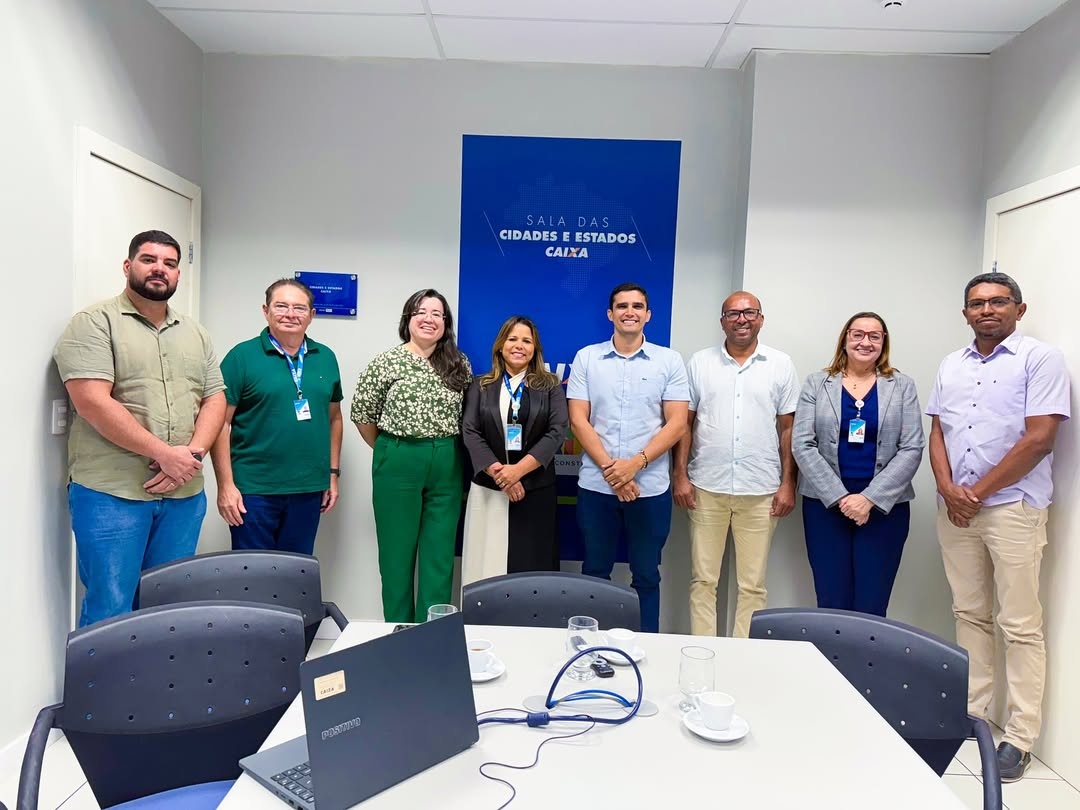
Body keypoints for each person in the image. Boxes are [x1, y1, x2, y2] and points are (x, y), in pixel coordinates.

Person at [927, 272, 1069, 782]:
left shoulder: (1041, 359)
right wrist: (947, 489)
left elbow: (1039, 440)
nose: (987, 310)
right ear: (966, 313)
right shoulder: (952, 363)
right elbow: (938, 431)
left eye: (997, 302)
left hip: (1011, 508)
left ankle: (1021, 736)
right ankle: (976, 713)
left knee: (1020, 625)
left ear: (1019, 308)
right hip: (957, 510)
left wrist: (975, 494)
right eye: (977, 303)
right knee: (969, 612)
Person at [54, 230, 226, 627]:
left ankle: (156, 690)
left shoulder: (195, 333)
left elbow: (215, 398)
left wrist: (193, 455)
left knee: (169, 605)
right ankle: (101, 690)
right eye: (149, 260)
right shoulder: (94, 323)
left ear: (178, 275)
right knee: (111, 605)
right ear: (128, 266)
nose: (159, 270)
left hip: (183, 494)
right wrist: (165, 455)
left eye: (168, 264)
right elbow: (93, 402)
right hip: (112, 494)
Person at [673, 291, 799, 638]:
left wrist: (789, 483)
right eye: (733, 313)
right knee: (703, 580)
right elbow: (685, 423)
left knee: (753, 586)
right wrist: (680, 475)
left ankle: (743, 655)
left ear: (760, 318)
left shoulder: (780, 365)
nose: (741, 319)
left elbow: (788, 428)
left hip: (760, 491)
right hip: (705, 487)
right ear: (722, 321)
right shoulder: (700, 362)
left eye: (749, 313)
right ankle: (703, 653)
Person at [567, 283, 689, 633]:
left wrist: (634, 465)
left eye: (637, 306)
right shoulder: (587, 358)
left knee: (647, 575)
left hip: (649, 488)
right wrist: (612, 471)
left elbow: (677, 422)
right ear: (610, 314)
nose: (629, 312)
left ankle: (646, 645)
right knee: (594, 571)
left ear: (648, 315)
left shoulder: (669, 360)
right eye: (622, 306)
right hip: (597, 486)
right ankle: (589, 647)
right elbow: (578, 420)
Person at [351, 289, 472, 623]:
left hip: (447, 460)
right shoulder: (386, 362)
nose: (429, 319)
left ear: (446, 324)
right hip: (398, 458)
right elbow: (363, 415)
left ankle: (431, 633)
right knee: (396, 555)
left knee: (439, 555)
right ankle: (399, 631)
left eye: (437, 314)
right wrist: (392, 451)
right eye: (421, 312)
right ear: (408, 319)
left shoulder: (458, 363)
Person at [792, 312, 924, 617]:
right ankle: (829, 664)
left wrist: (869, 499)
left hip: (884, 507)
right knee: (830, 597)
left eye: (874, 336)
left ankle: (866, 666)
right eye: (858, 334)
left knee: (872, 602)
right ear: (845, 339)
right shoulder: (818, 383)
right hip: (825, 505)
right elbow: (802, 443)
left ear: (883, 343)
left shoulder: (902, 386)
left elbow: (912, 446)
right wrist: (841, 498)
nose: (865, 342)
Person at [210, 279, 343, 554]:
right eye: (281, 306)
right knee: (253, 576)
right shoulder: (241, 357)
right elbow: (219, 423)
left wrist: (332, 475)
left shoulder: (326, 357)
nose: (290, 314)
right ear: (265, 310)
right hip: (253, 490)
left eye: (299, 308)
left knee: (296, 573)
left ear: (312, 315)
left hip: (308, 489)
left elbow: (334, 419)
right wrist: (226, 486)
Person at [461, 316, 568, 584]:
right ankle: (483, 624)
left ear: (535, 349)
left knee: (532, 570)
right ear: (500, 345)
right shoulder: (481, 385)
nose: (519, 345)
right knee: (484, 566)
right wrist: (501, 474)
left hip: (535, 490)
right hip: (489, 488)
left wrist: (518, 472)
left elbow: (557, 431)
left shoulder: (550, 385)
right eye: (512, 339)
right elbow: (470, 431)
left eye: (527, 341)